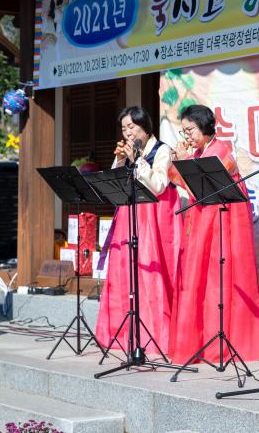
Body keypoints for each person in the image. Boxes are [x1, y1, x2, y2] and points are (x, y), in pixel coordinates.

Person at [168, 104, 259, 364]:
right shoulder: (198, 151)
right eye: (184, 130)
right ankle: (200, 340)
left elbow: (210, 179)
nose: (187, 135)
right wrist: (182, 158)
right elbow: (181, 181)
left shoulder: (222, 150)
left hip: (224, 220)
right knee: (202, 276)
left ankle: (226, 341)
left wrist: (185, 160)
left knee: (219, 277)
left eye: (191, 129)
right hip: (204, 217)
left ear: (205, 127)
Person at [95, 106, 180, 355]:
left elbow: (159, 185)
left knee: (148, 272)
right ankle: (122, 331)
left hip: (154, 219)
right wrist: (121, 160)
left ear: (145, 126)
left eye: (131, 127)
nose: (128, 132)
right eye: (124, 128)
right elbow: (114, 184)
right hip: (128, 216)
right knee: (125, 271)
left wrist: (136, 159)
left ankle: (152, 333)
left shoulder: (162, 150)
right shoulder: (131, 151)